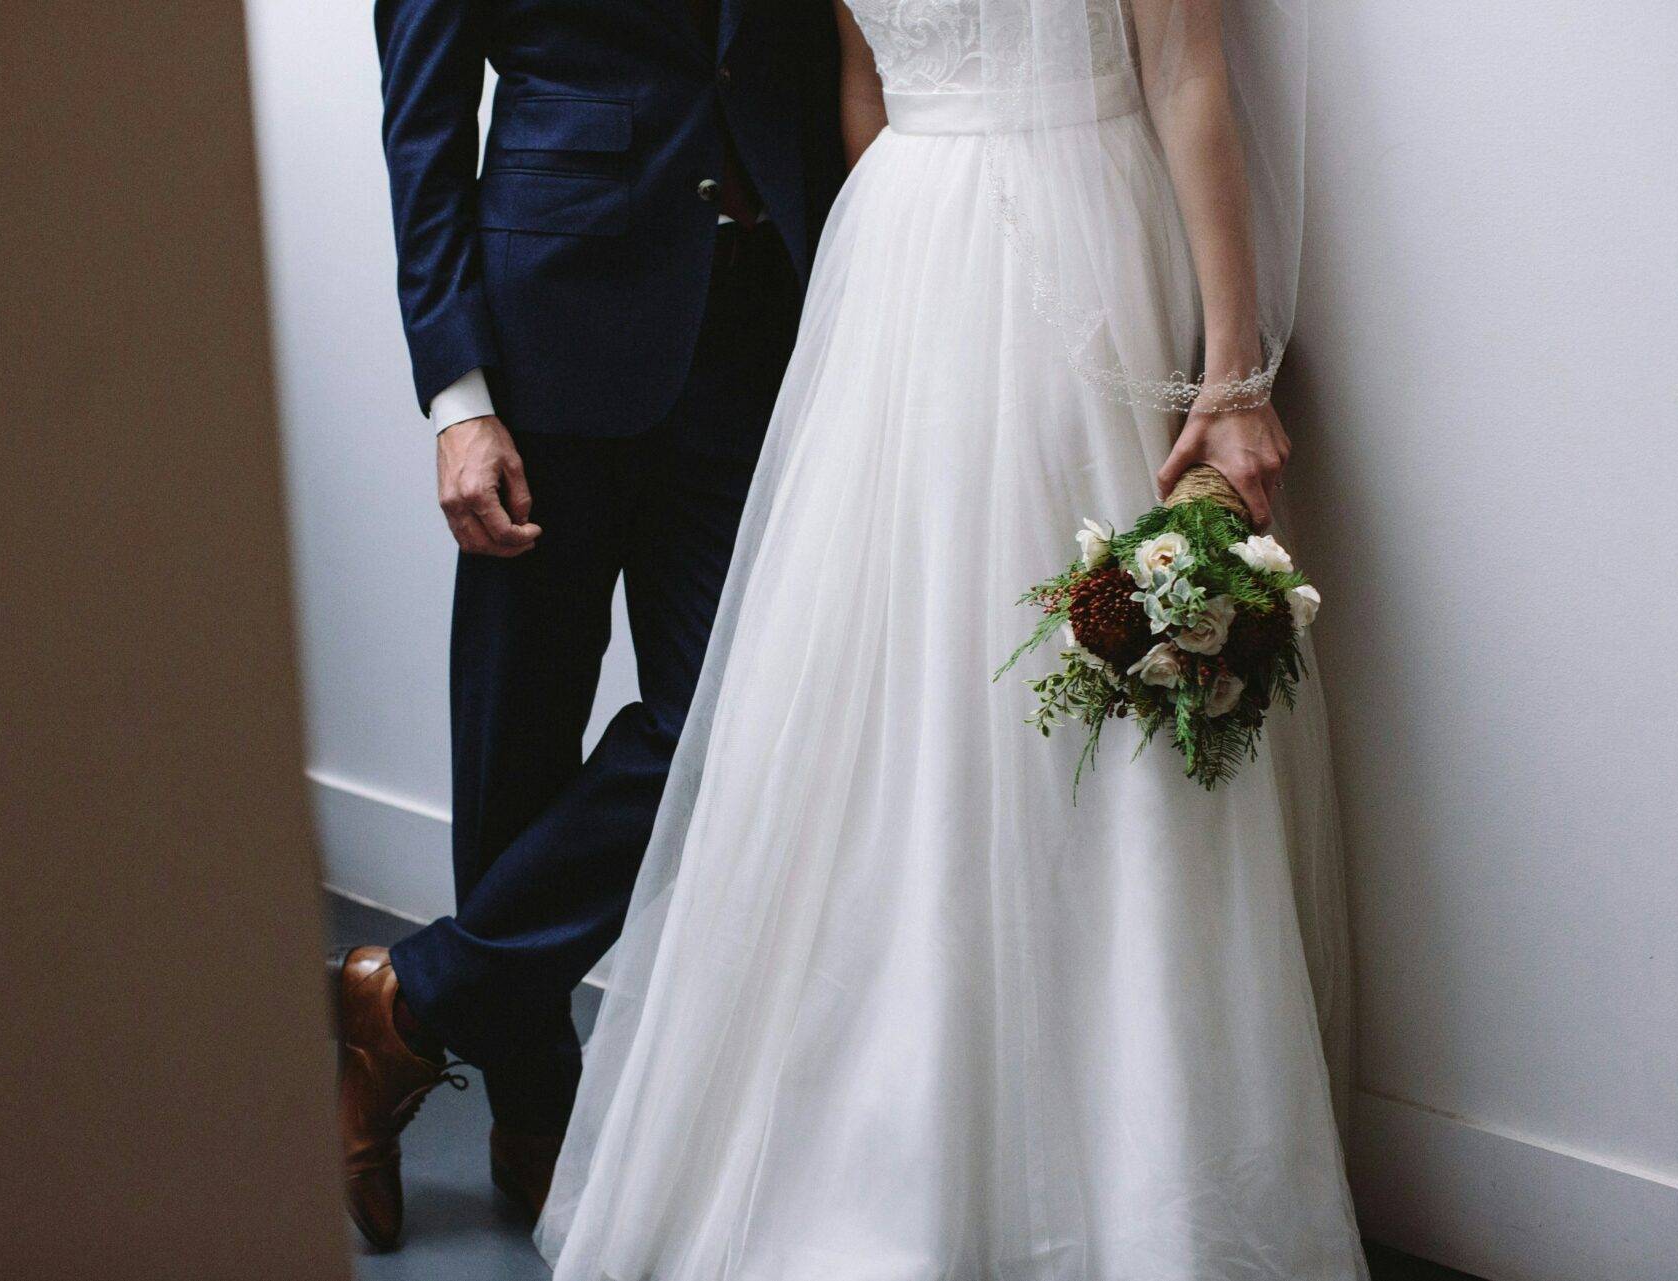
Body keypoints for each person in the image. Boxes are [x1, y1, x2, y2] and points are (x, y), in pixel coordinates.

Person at [537, 0, 1370, 1277]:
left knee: (1018, 689)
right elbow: (921, 78)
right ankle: (986, 1161)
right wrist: (1222, 363)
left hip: (996, 251)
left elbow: (1143, 75)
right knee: (945, 694)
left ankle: (1025, 1158)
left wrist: (1230, 369)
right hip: (981, 251)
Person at [329, 0, 843, 1251]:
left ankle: (407, 1001)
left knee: (732, 712)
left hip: (769, 326)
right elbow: (426, 126)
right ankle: (534, 1114)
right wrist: (459, 401)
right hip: (548, 330)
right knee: (519, 730)